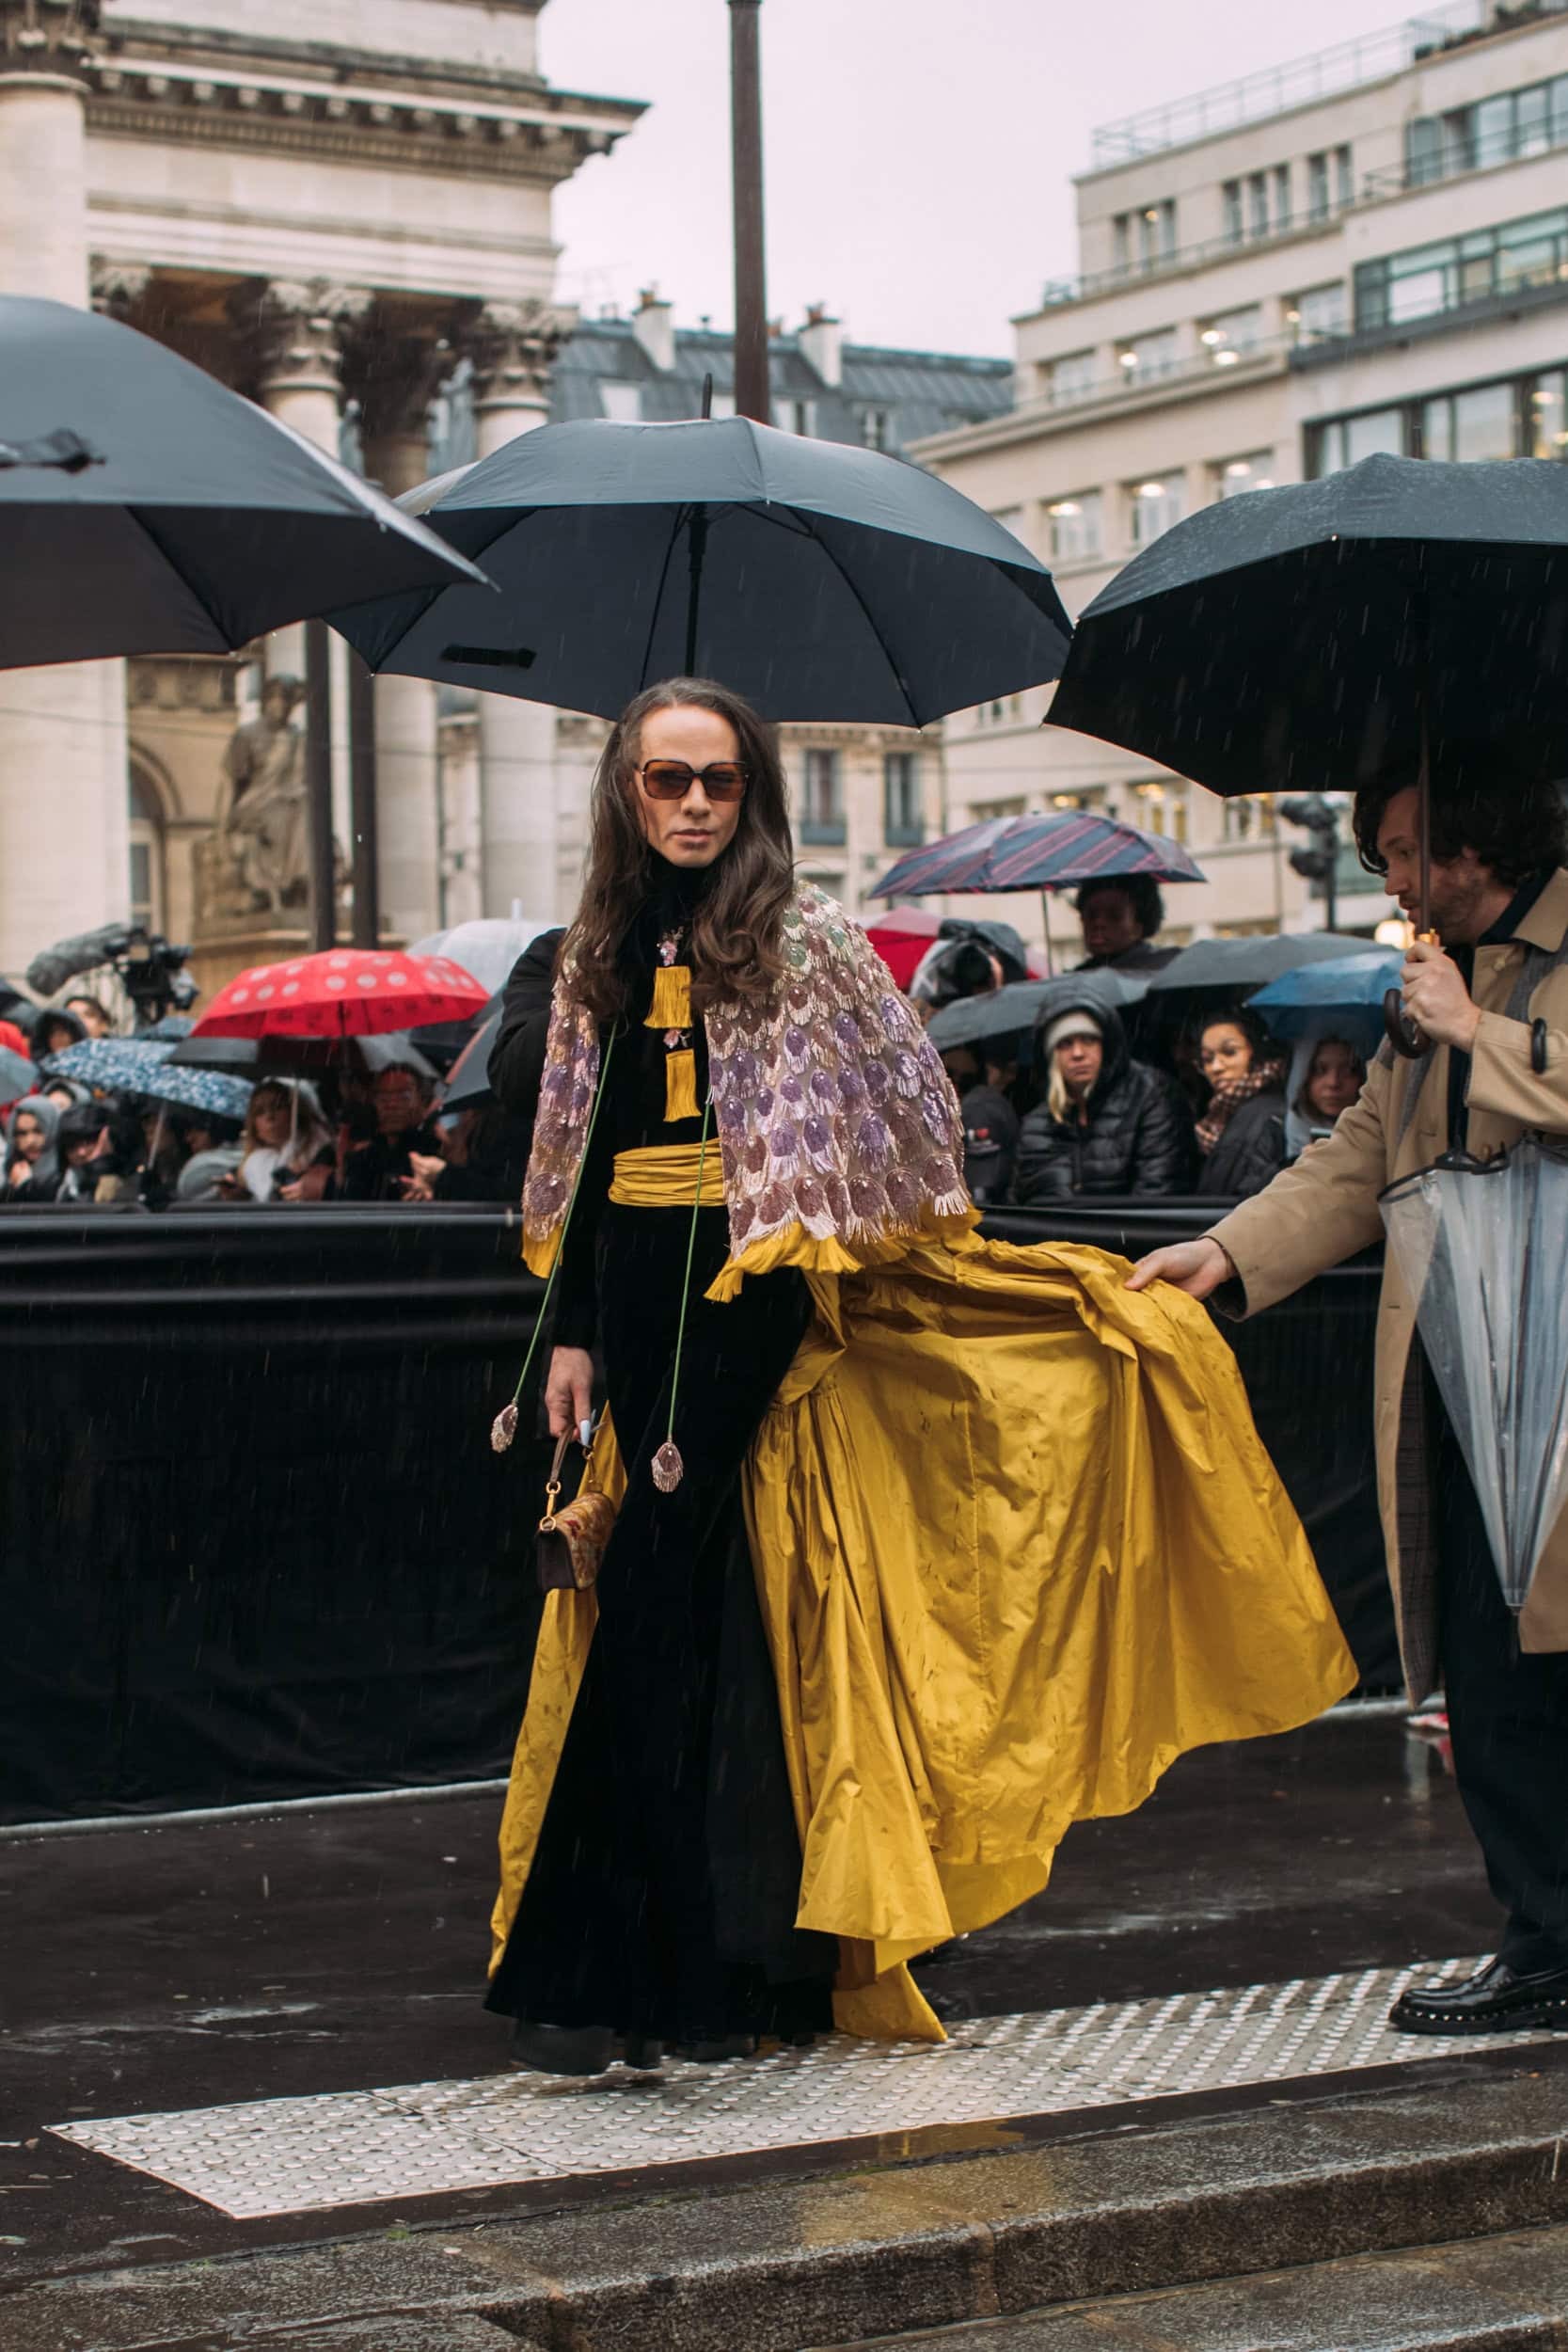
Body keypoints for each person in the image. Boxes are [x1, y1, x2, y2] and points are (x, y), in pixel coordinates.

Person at [484, 675, 1354, 2078]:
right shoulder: (594, 944)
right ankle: (689, 1956)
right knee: (690, 1614)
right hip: (638, 1299)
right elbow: (580, 1157)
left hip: (756, 1296)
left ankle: (654, 1963)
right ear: (625, 791)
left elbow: (891, 1129)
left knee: (665, 1600)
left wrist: (796, 1258)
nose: (693, 803)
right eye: (665, 779)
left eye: (716, 779)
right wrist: (577, 1323)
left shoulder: (806, 940)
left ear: (751, 792)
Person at [1128, 765, 1568, 2037]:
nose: (1386, 881)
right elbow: (1358, 1156)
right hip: (1459, 1368)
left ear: (1472, 841)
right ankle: (1542, 1938)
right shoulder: (1419, 993)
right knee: (1488, 1670)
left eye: (1399, 853)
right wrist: (1224, 1256)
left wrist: (1481, 1030)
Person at [1014, 1000, 1195, 1202]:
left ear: (1106, 1046)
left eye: (1088, 1040)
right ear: (1051, 1054)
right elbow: (1024, 1200)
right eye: (1065, 1044)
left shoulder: (1150, 1094)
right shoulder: (1036, 1123)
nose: (1078, 1054)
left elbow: (1157, 1193)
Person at [1193, 1007, 1288, 1198]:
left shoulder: (1271, 1115)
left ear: (1257, 1052)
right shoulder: (1219, 1115)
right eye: (1207, 1059)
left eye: (1229, 1052)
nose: (1216, 1067)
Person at [339, 1064, 441, 1202]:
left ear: (422, 1100)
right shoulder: (366, 1157)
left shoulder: (436, 1152)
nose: (391, 1104)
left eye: (403, 1096)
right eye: (384, 1097)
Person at [235, 1080, 335, 1202]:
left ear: (294, 1112)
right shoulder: (252, 1163)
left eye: (278, 1107)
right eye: (260, 1112)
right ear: (253, 1125)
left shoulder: (322, 1151)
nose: (269, 1117)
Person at [1073, 876, 1179, 975]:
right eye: (1091, 915)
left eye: (1114, 916)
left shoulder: (1168, 969)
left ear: (1140, 926)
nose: (1098, 923)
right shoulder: (1075, 979)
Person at [1285, 1032, 1366, 1159]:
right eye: (1320, 1070)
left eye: (1348, 1071)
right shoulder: (1286, 1128)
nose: (1333, 1082)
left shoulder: (1382, 1135)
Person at [5, 1095, 63, 1202]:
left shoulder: (67, 1176)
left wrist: (27, 1186)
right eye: (21, 1133)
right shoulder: (8, 1172)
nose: (30, 1141)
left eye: (38, 1131)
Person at [55, 1104, 111, 1201]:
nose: (81, 1153)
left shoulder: (124, 1181)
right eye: (72, 1146)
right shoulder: (60, 1185)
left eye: (89, 1142)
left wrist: (96, 1167)